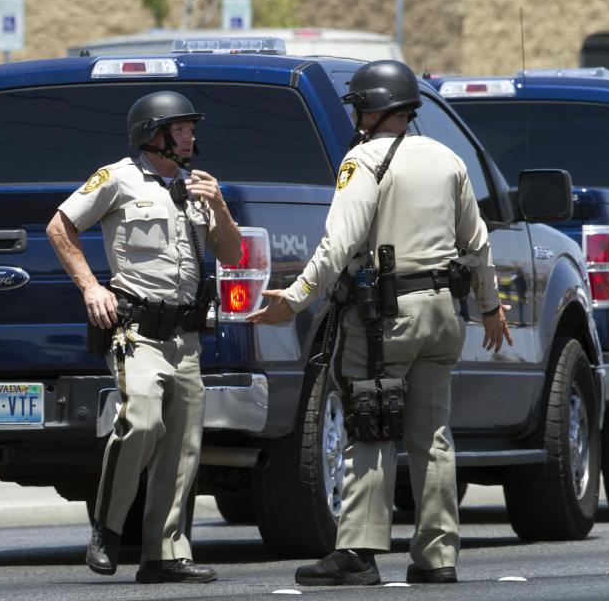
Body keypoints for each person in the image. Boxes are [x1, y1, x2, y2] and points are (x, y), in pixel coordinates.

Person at [247, 60, 512, 586]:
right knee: (432, 435)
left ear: (371, 109)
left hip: (386, 318)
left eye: (360, 107)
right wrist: (490, 306)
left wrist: (294, 300)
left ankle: (359, 552)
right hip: (443, 314)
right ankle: (438, 556)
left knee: (369, 424)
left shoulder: (364, 160)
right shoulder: (446, 158)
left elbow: (339, 244)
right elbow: (477, 243)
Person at [46, 90, 242, 584]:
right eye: (181, 129)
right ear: (154, 135)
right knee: (141, 420)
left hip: (187, 337)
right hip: (137, 332)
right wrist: (91, 286)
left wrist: (218, 204)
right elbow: (59, 226)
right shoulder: (119, 178)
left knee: (183, 448)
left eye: (191, 129)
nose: (191, 136)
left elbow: (232, 252)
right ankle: (107, 531)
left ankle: (164, 554)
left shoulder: (198, 187)